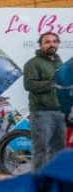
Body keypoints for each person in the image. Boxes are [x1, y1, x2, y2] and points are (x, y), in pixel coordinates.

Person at [23, 32, 64, 171]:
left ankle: (54, 182)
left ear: (57, 44)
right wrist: (52, 83)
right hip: (41, 113)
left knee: (59, 151)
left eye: (54, 41)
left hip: (60, 111)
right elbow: (29, 85)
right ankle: (38, 185)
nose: (52, 44)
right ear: (41, 45)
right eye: (47, 42)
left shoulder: (59, 62)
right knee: (41, 151)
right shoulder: (33, 63)